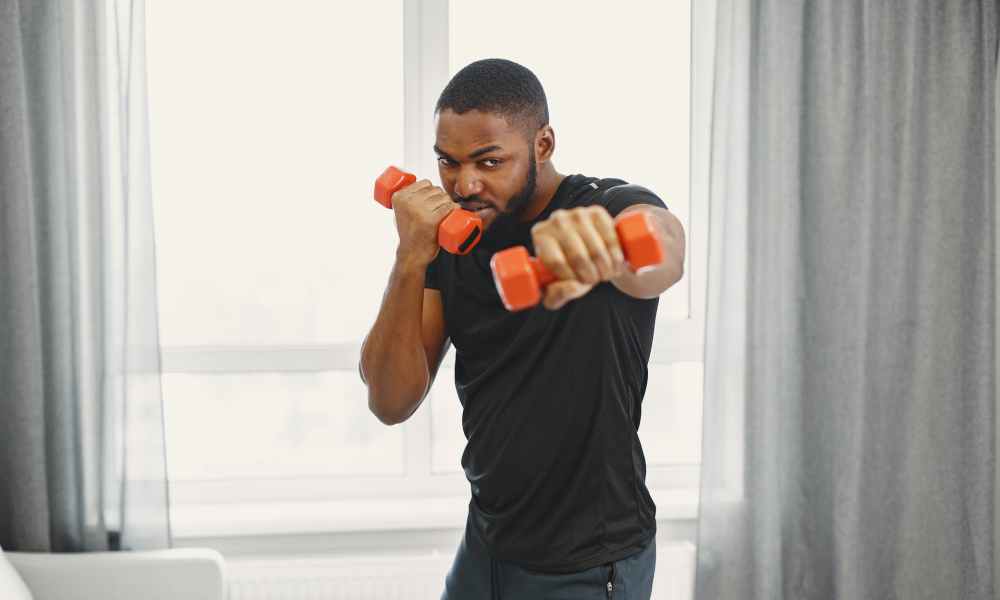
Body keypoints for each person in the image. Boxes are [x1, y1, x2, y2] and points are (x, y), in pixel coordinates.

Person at [359, 58, 686, 599]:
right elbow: (390, 401)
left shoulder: (605, 205)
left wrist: (609, 248)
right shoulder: (451, 240)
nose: (465, 184)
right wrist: (410, 256)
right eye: (449, 162)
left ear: (543, 144)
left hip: (586, 561)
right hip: (486, 546)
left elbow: (662, 252)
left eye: (489, 162)